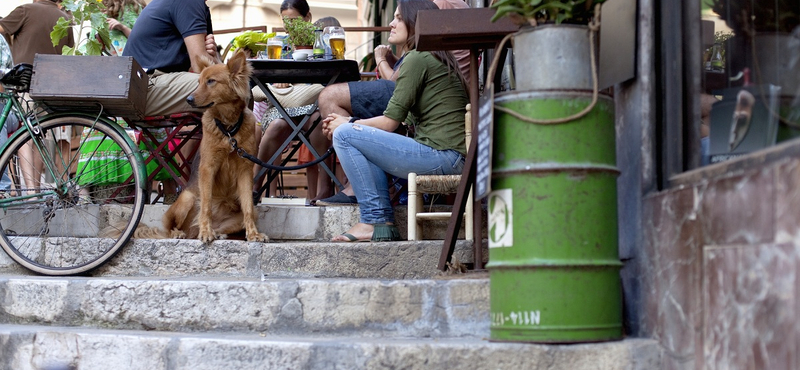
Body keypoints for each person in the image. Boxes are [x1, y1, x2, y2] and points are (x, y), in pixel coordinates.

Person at [321, 0, 468, 242]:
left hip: (445, 156)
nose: (391, 23)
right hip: (450, 156)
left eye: (398, 18)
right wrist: (354, 125)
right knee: (354, 135)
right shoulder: (430, 57)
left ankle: (374, 220)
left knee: (344, 135)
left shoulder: (417, 59)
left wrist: (348, 124)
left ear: (415, 23)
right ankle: (379, 222)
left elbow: (390, 123)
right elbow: (400, 122)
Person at [252, 0, 339, 203]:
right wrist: (277, 80)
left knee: (319, 120)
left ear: (307, 18)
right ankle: (255, 186)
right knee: (275, 127)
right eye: (285, 20)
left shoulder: (323, 43)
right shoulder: (278, 44)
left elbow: (335, 74)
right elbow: (262, 77)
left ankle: (325, 187)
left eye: (294, 20)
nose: (290, 25)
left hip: (313, 107)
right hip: (283, 107)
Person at [0, 0, 74, 195]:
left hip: (27, 83)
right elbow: (69, 52)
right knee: (49, 136)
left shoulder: (26, 10)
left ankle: (33, 193)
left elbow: (1, 28)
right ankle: (51, 189)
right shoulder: (65, 18)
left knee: (28, 136)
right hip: (56, 87)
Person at [122, 0, 220, 117]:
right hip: (142, 87)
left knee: (224, 84)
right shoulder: (189, 2)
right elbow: (201, 67)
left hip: (139, 84)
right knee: (224, 87)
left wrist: (213, 56)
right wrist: (214, 59)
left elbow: (205, 64)